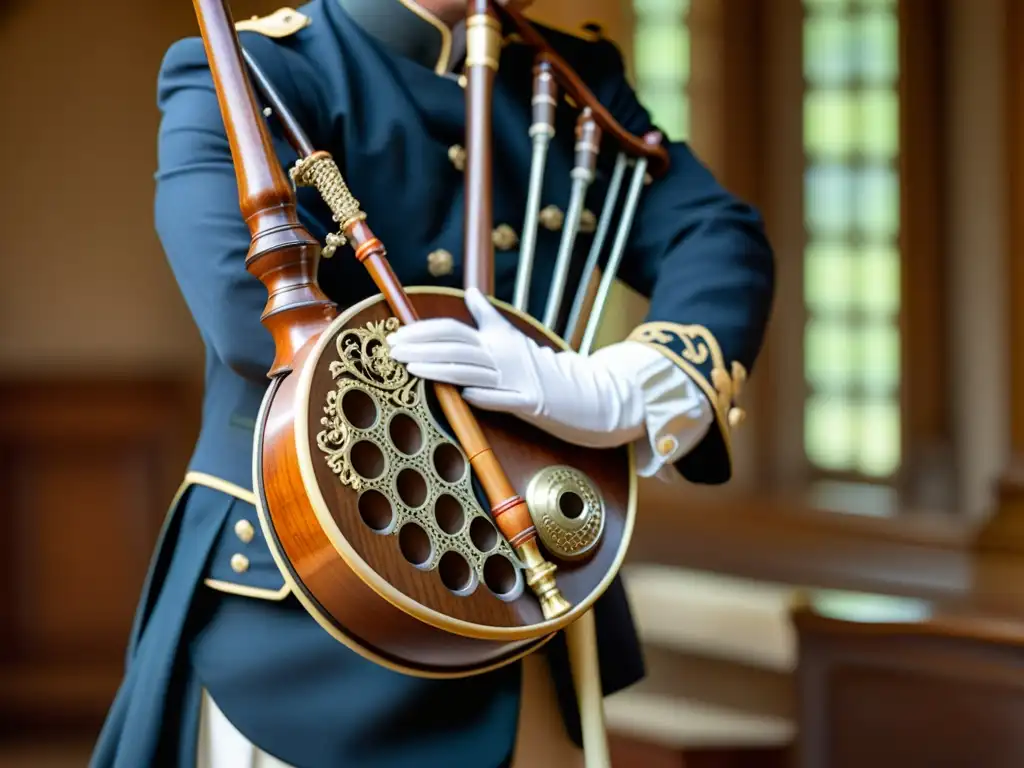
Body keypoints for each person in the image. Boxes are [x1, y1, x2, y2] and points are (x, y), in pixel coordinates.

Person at [90, 1, 775, 766]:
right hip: (315, 596)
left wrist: (619, 387)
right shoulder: (261, 66)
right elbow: (248, 308)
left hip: (525, 582)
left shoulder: (569, 73)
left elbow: (714, 233)